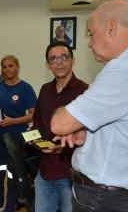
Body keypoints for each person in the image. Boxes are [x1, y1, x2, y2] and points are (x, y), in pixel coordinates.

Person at [50, 0, 128, 212]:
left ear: (111, 27)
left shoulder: (124, 68)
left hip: (104, 199)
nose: (89, 42)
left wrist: (72, 122)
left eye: (91, 33)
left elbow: (60, 124)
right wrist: (86, 130)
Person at [31, 41, 88, 212]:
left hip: (70, 174)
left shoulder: (85, 92)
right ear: (48, 65)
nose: (59, 62)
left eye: (64, 57)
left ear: (73, 60)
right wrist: (34, 137)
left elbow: (89, 135)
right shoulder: (45, 90)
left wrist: (62, 149)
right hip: (44, 171)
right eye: (53, 59)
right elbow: (38, 120)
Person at [0, 55, 37, 212]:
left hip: (17, 137)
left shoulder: (26, 88)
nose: (7, 69)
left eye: (10, 66)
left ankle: (10, 206)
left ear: (18, 67)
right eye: (4, 67)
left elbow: (34, 114)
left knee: (14, 175)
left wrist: (13, 121)